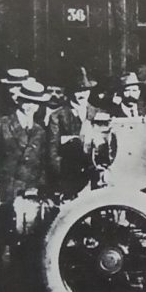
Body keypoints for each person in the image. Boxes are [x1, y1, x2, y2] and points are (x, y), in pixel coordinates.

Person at [0, 78, 50, 292]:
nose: (31, 106)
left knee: (28, 247)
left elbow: (42, 165)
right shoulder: (1, 124)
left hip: (29, 197)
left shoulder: (40, 130)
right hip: (4, 194)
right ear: (19, 100)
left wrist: (37, 189)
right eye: (27, 101)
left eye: (36, 103)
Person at [47, 67, 100, 199]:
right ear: (71, 92)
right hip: (69, 178)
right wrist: (64, 176)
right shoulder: (57, 116)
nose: (82, 95)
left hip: (94, 178)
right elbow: (52, 151)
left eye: (85, 90)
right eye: (78, 91)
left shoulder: (98, 113)